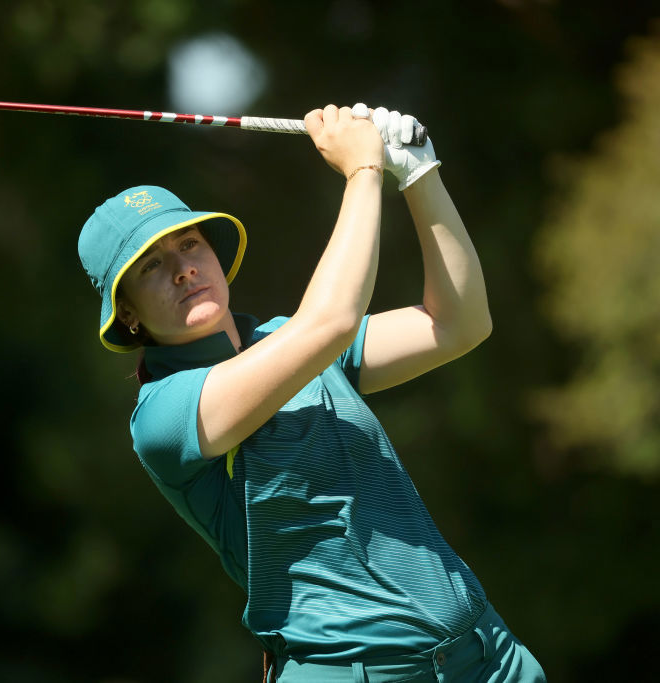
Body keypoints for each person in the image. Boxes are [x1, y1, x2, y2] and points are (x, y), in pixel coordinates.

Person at [77, 104, 546, 682]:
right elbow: (329, 322)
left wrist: (419, 174)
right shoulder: (164, 416)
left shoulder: (289, 341)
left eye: (190, 245)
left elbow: (458, 324)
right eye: (150, 266)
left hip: (488, 657)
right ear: (126, 315)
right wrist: (363, 173)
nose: (182, 269)